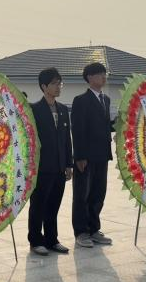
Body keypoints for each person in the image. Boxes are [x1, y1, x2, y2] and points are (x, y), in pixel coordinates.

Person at [28, 68, 73, 255]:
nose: (58, 87)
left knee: (54, 205)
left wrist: (68, 164)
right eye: (54, 83)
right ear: (44, 86)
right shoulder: (34, 109)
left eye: (59, 83)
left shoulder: (63, 109)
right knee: (38, 205)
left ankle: (52, 239)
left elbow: (66, 139)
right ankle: (35, 240)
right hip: (41, 167)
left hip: (59, 166)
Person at [71, 62, 113, 248]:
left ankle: (94, 229)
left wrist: (119, 122)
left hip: (102, 155)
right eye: (100, 74)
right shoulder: (81, 100)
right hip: (86, 157)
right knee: (82, 195)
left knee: (98, 193)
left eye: (105, 74)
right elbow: (77, 129)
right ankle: (81, 232)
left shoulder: (106, 99)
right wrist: (79, 156)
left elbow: (105, 125)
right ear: (89, 77)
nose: (104, 77)